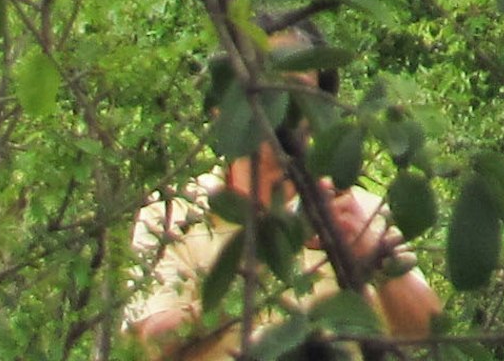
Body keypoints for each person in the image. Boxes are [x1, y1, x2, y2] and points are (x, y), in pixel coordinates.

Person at [120, 127, 440, 359]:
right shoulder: (172, 210)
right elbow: (149, 346)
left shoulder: (358, 211)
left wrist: (374, 257)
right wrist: (247, 274)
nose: (281, 108)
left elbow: (427, 333)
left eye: (298, 91)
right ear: (225, 108)